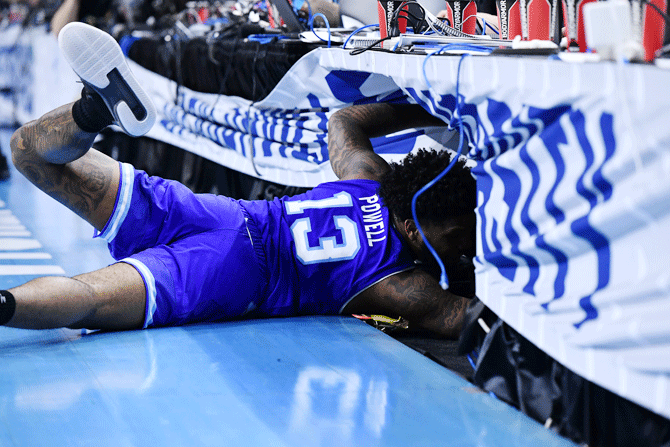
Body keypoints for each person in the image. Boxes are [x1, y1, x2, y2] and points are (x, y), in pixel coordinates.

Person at [2, 22, 476, 337]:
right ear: (412, 227)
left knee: (27, 152)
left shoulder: (370, 178)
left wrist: (429, 107)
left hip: (223, 213)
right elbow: (467, 319)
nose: (465, 247)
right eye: (456, 236)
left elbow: (345, 122)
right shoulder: (400, 283)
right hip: (236, 272)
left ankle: (91, 111)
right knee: (89, 299)